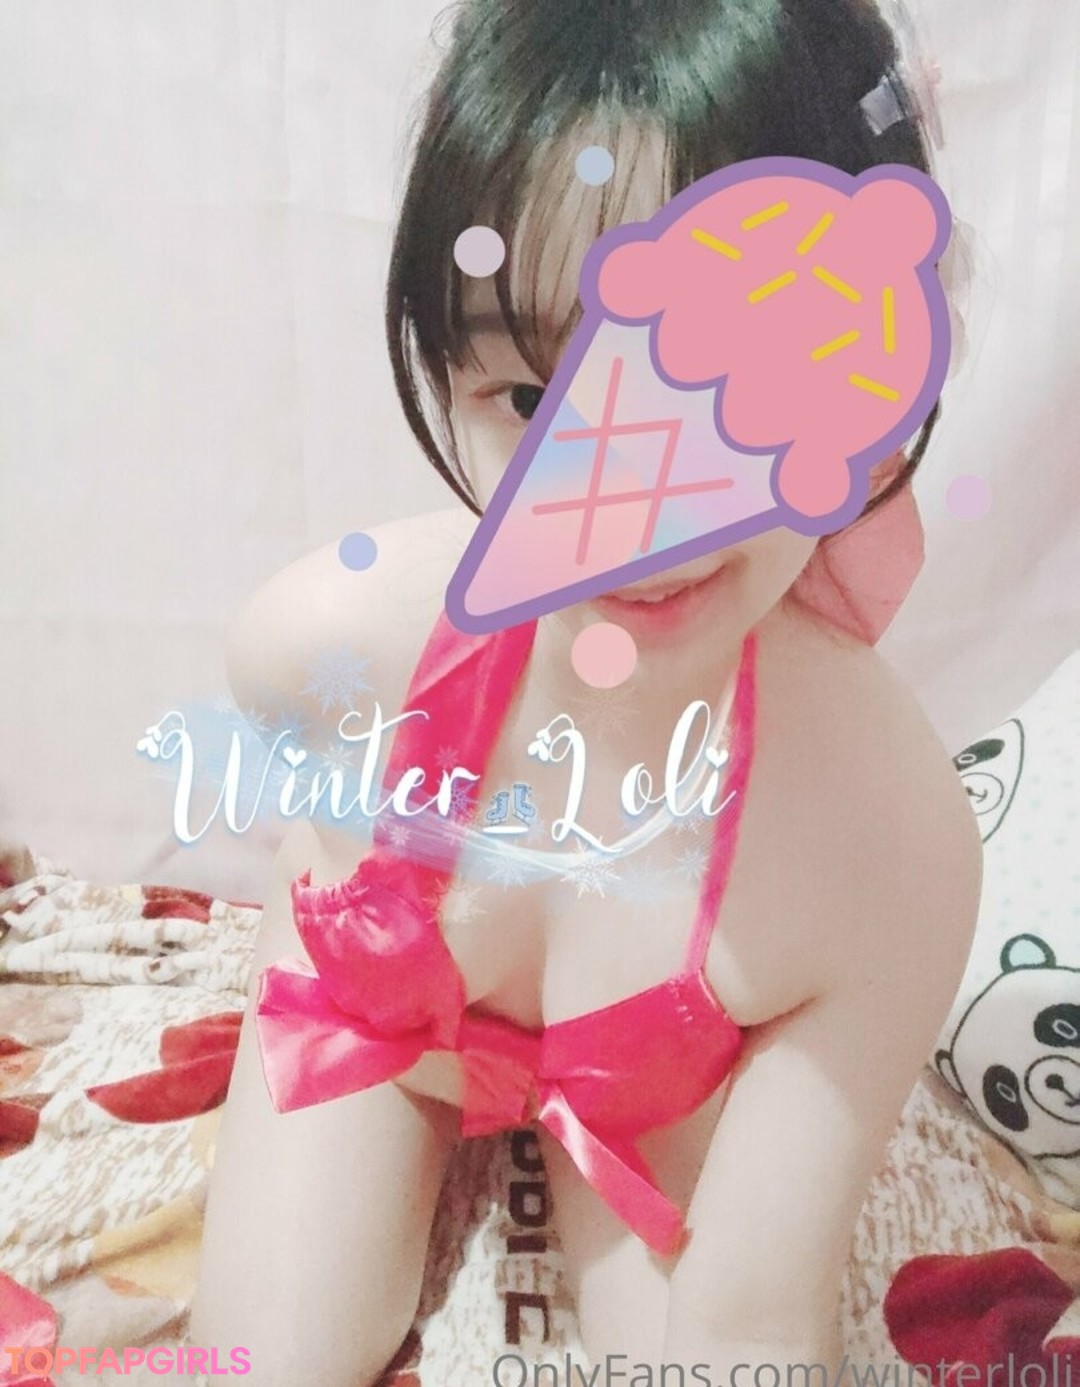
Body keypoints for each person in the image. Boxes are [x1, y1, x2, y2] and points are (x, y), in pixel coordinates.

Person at [189, 3, 982, 1383]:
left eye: (733, 384)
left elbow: (754, 1321)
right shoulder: (323, 654)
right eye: (527, 394)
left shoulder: (887, 847)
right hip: (389, 1017)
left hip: (653, 1091)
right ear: (447, 369)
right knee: (271, 1355)